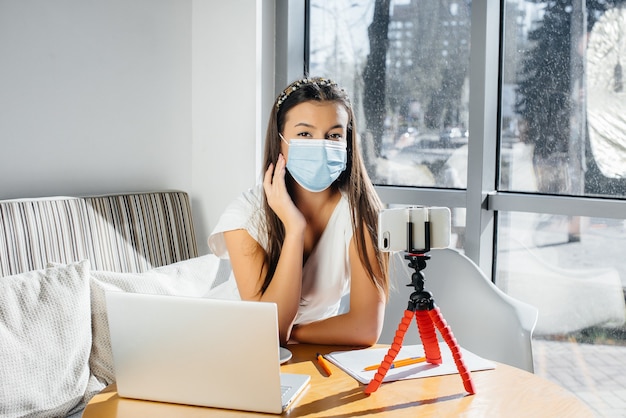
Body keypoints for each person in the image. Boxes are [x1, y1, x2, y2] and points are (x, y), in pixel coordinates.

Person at [208, 77, 389, 346]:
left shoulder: (362, 213)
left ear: (348, 143)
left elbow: (365, 328)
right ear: (279, 140)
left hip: (313, 350)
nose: (321, 144)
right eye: (304, 134)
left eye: (334, 135)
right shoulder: (245, 215)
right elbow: (268, 331)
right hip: (228, 342)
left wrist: (294, 335)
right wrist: (294, 229)